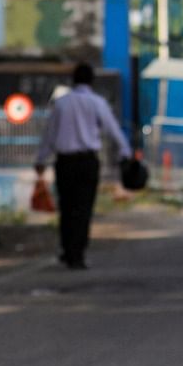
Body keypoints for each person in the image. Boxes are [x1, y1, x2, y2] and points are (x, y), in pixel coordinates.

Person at [34, 63, 131, 270]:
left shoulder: (61, 104)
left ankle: (68, 250)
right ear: (91, 80)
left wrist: (41, 160)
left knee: (67, 208)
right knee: (84, 208)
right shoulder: (97, 103)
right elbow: (113, 129)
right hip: (88, 162)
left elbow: (49, 135)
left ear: (73, 80)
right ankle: (78, 252)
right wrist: (126, 152)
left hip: (65, 162)